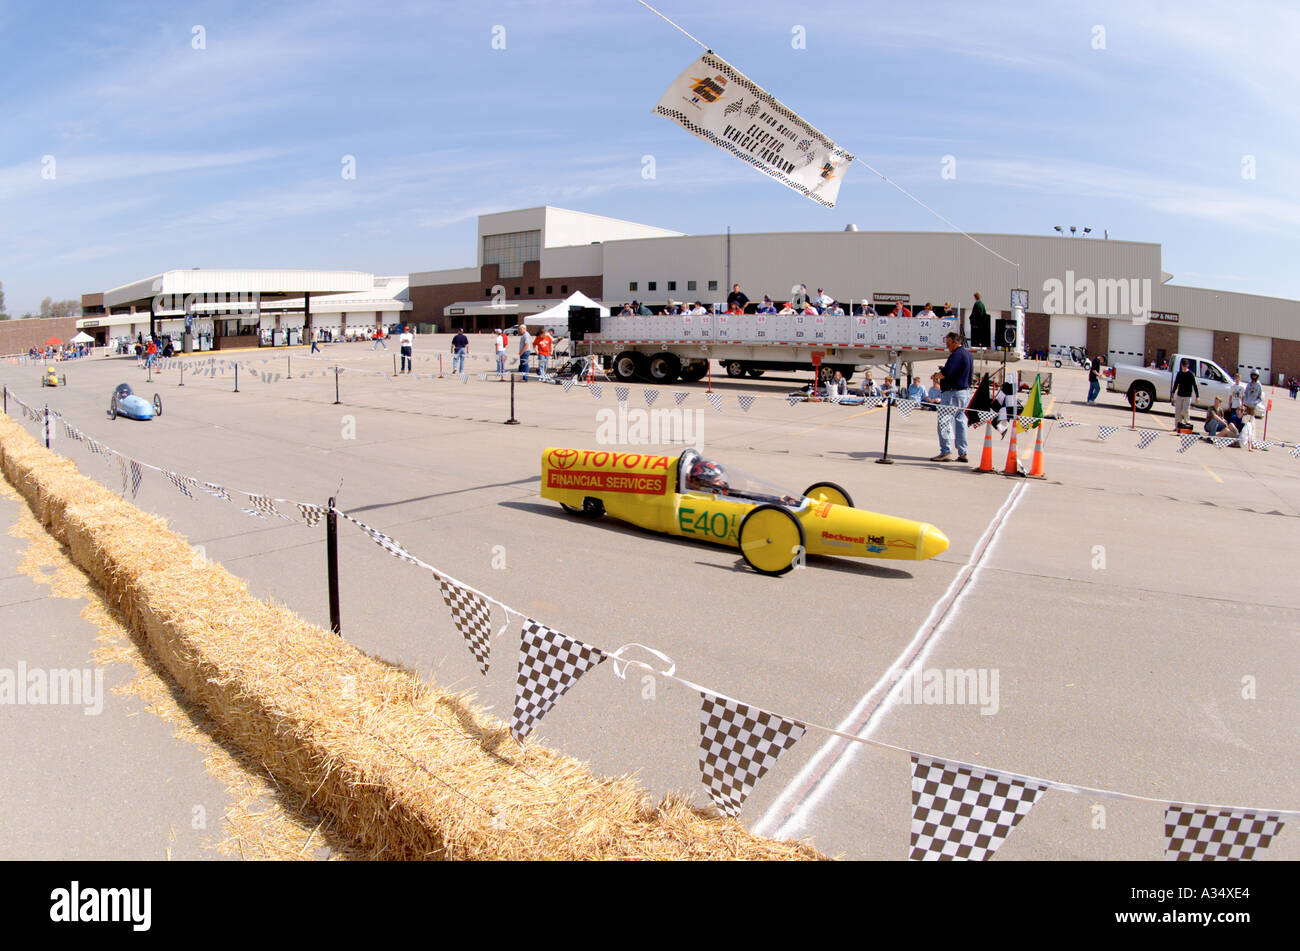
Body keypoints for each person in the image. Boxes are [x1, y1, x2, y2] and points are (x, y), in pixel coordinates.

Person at [933, 331, 972, 462]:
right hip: (964, 392)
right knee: (960, 421)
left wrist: (936, 376)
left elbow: (946, 373)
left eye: (949, 344)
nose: (947, 347)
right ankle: (963, 452)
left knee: (944, 421)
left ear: (956, 342)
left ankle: (946, 451)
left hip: (952, 393)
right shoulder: (967, 354)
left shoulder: (956, 355)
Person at [1171, 358, 1198, 429]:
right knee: (1178, 411)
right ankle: (1177, 426)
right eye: (1183, 366)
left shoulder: (1191, 374)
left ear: (1188, 366)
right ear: (1181, 366)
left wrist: (1197, 396)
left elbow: (1194, 385)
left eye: (1185, 366)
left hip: (1187, 396)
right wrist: (1173, 392)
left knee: (1185, 410)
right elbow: (1176, 383)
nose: (1184, 368)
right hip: (1180, 394)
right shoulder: (1179, 374)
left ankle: (1187, 422)